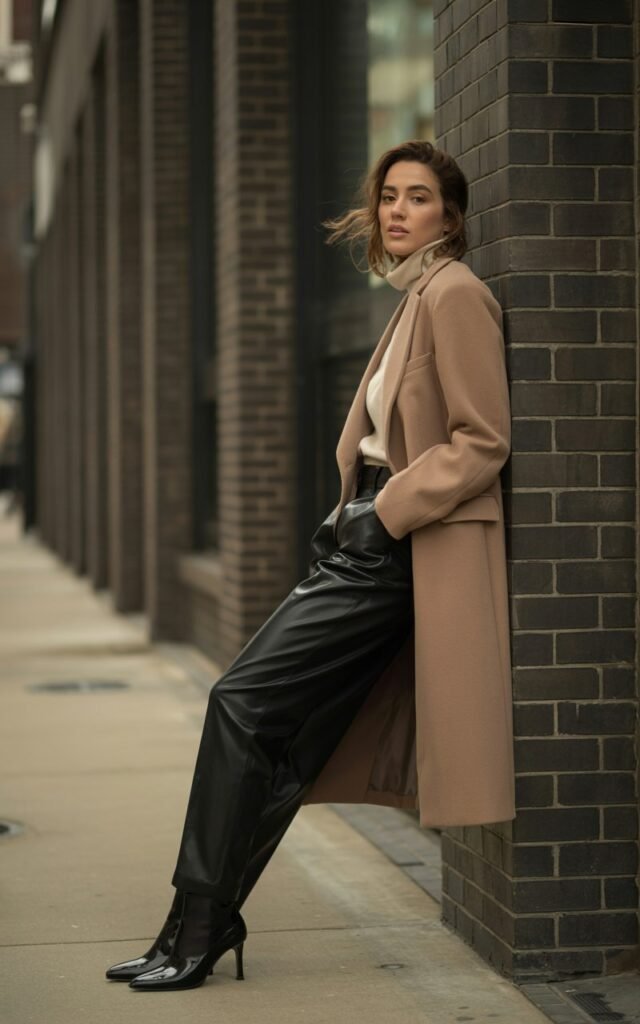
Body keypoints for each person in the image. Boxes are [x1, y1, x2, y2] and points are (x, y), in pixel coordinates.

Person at [106, 139, 514, 993]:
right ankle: (194, 925)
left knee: (241, 703)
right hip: (366, 540)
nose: (398, 210)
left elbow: (484, 442)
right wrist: (356, 520)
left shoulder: (455, 295)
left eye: (419, 198)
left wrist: (384, 516)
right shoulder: (410, 301)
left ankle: (200, 922)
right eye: (389, 196)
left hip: (398, 552)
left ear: (452, 216)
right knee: (282, 737)